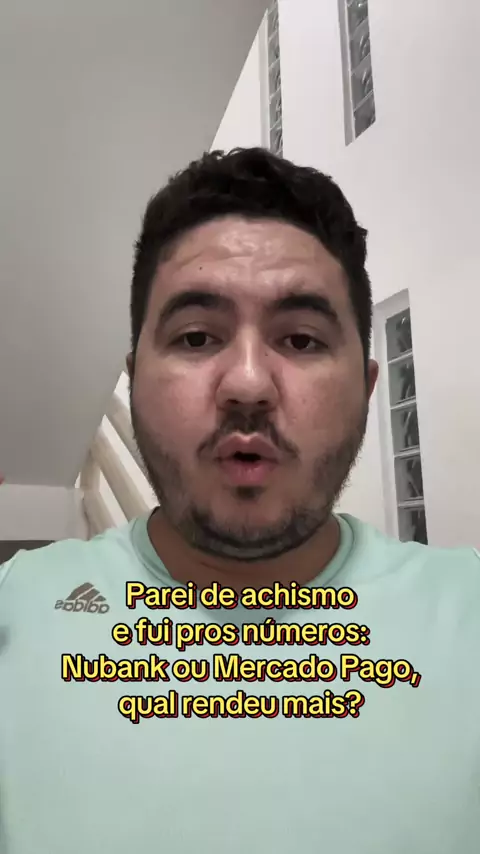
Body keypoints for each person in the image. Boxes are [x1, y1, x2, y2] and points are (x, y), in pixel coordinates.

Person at [0, 147, 479, 854]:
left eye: (302, 339)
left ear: (367, 387)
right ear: (134, 381)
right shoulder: (15, 616)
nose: (248, 384)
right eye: (196, 337)